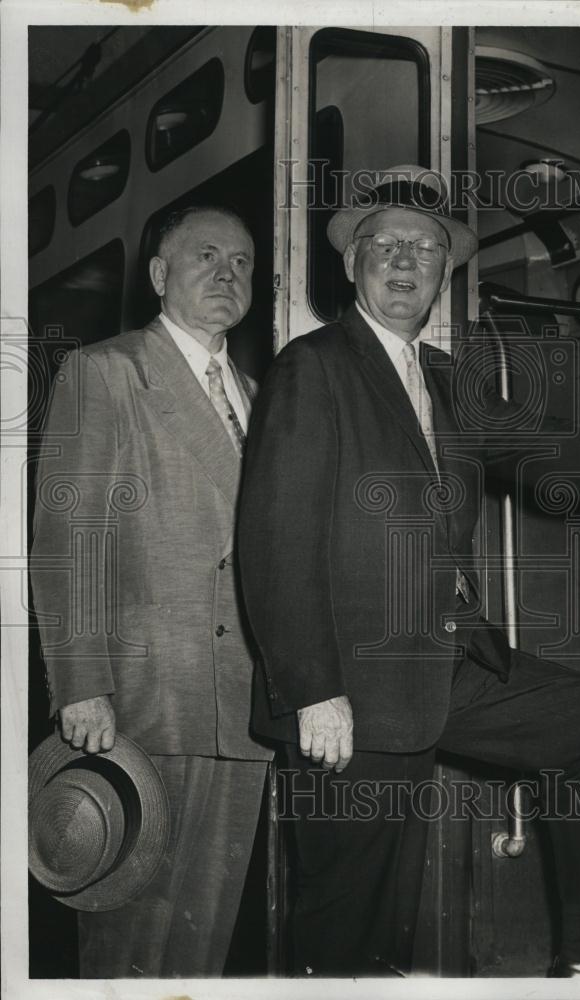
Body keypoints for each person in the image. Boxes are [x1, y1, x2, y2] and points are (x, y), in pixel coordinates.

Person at [237, 167, 580, 978]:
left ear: (444, 272)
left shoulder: (445, 380)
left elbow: (544, 449)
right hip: (350, 679)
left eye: (425, 249)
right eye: (385, 245)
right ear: (350, 265)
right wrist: (313, 688)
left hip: (446, 663)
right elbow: (274, 538)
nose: (406, 261)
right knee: (348, 916)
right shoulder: (313, 367)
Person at [30, 205, 272, 978]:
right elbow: (69, 542)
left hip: (244, 706)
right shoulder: (106, 372)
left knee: (205, 935)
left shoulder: (261, 396)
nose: (226, 273)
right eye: (205, 257)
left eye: (240, 262)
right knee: (132, 933)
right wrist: (81, 686)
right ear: (160, 276)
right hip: (143, 698)